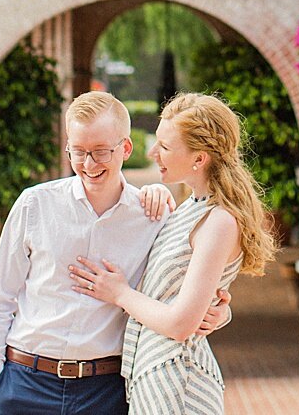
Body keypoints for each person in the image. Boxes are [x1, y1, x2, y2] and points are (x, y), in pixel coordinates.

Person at [0, 91, 229, 415]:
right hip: (24, 386)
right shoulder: (35, 205)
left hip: (105, 394)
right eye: (78, 152)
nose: (88, 164)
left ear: (125, 148)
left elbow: (178, 291)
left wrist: (219, 313)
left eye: (100, 152)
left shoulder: (154, 217)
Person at [70, 92, 276, 415]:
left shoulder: (219, 220)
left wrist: (120, 293)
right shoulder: (190, 207)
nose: (152, 152)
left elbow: (180, 324)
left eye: (164, 147)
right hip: (155, 378)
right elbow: (178, 295)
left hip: (178, 383)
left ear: (199, 158)